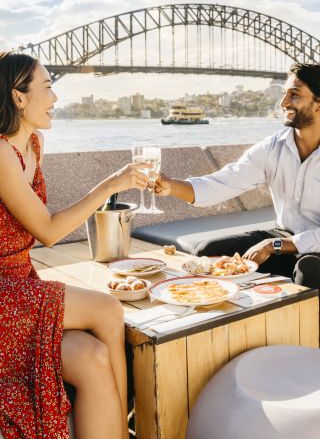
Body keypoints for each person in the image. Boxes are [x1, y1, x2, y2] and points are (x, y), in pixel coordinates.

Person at [0, 51, 150, 439]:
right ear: (19, 97)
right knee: (107, 309)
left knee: (93, 357)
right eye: (48, 87)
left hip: (22, 283)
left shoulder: (33, 144)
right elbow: (48, 231)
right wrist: (110, 185)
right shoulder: (1, 152)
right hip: (4, 294)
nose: (55, 97)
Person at [154, 62, 320, 285]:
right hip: (284, 237)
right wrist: (172, 186)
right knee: (209, 252)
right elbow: (226, 181)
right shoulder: (274, 146)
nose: (283, 103)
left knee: (308, 270)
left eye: (294, 94)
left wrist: (275, 246)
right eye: (283, 94)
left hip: (311, 248)